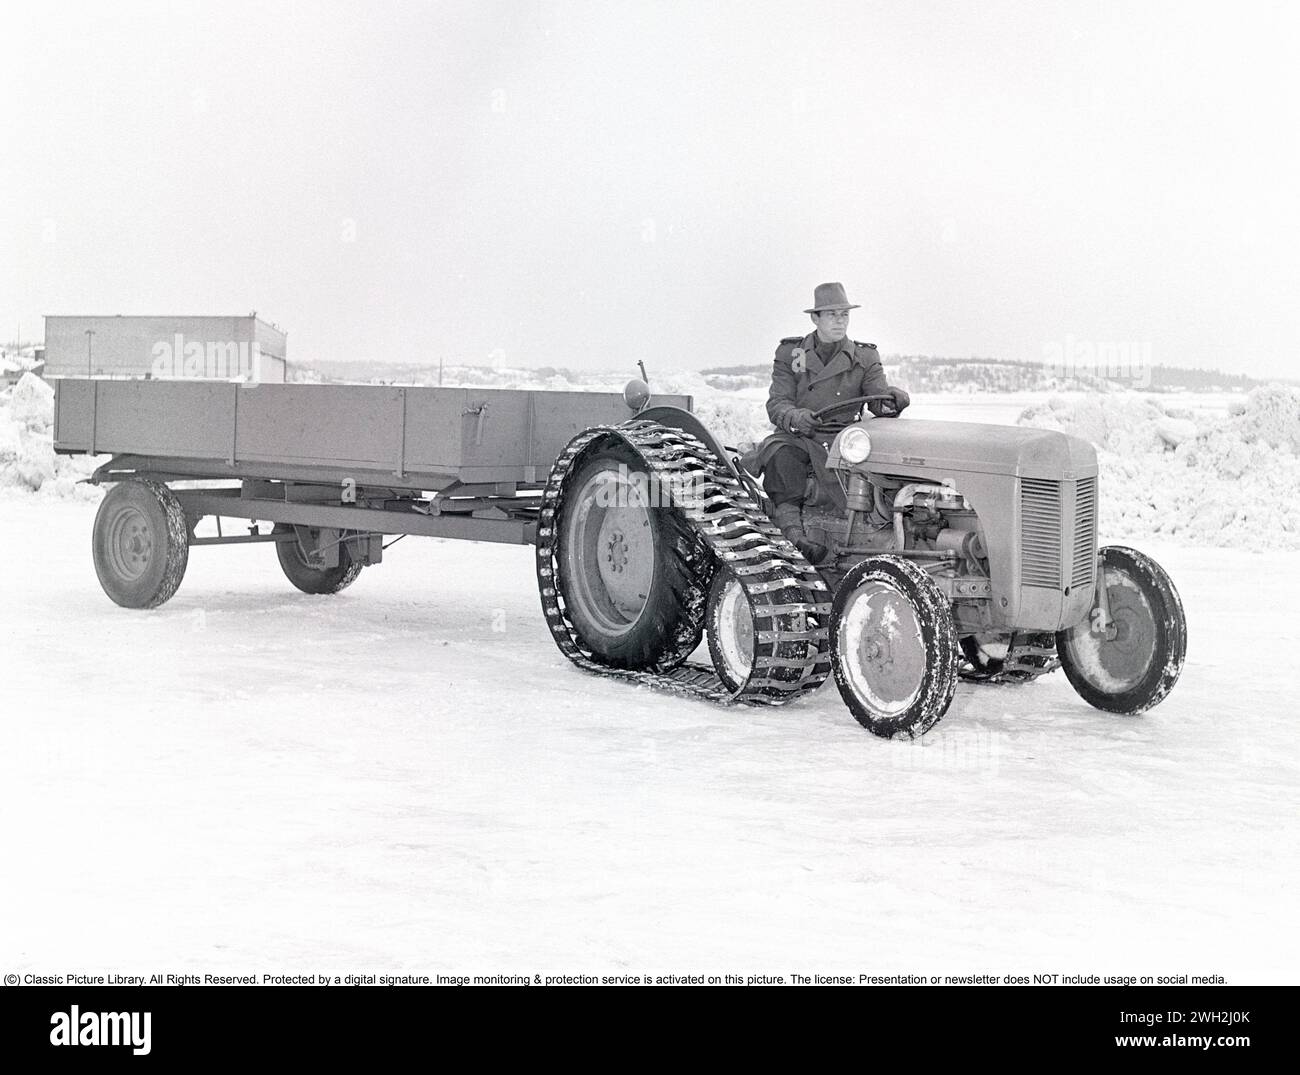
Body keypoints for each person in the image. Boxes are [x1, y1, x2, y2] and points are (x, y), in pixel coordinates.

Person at [745, 282, 910, 563]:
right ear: (815, 318)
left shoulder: (864, 356)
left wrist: (890, 401)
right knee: (782, 455)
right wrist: (796, 417)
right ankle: (793, 533)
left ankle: (882, 534)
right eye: (831, 314)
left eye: (844, 314)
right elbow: (777, 403)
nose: (839, 321)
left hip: (845, 438)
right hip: (800, 434)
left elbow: (875, 398)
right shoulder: (792, 354)